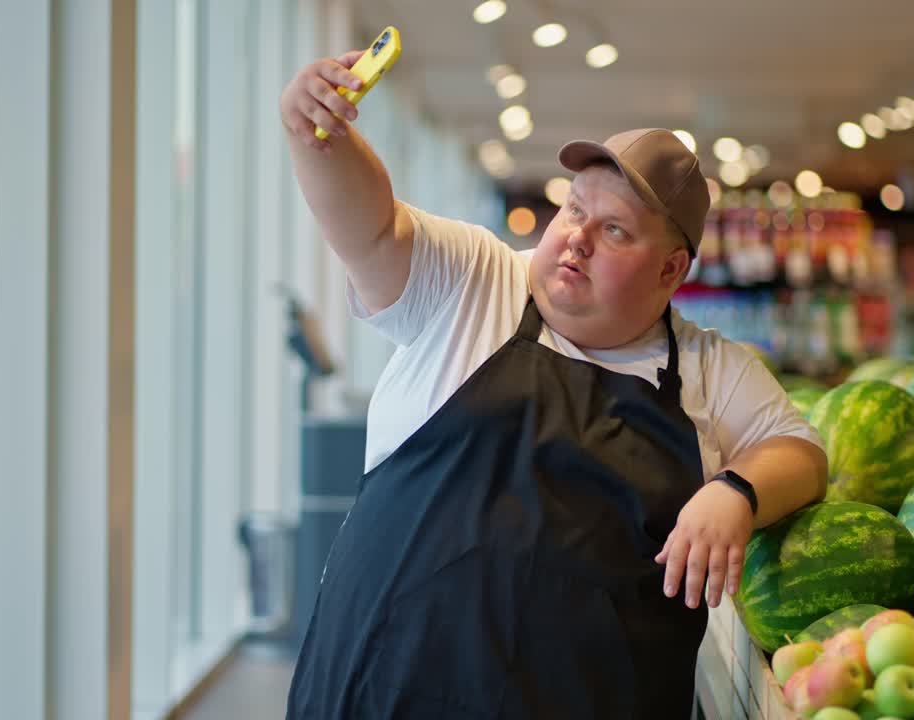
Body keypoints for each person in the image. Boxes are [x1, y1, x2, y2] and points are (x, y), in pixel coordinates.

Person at [278, 47, 828, 720]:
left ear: (671, 269)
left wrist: (735, 492)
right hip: (383, 693)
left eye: (615, 230)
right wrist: (317, 135)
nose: (576, 239)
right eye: (573, 210)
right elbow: (374, 230)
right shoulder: (474, 280)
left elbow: (800, 449)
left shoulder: (709, 370)